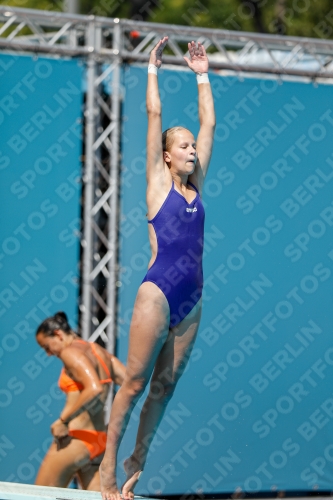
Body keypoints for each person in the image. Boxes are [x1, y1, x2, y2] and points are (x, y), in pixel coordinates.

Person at [100, 37, 215, 500]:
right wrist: (152, 69)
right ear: (168, 155)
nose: (192, 150)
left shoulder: (198, 187)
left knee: (164, 387)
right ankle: (107, 467)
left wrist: (201, 73)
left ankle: (136, 461)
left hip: (193, 298)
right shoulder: (156, 183)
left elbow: (209, 121)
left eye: (193, 146)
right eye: (184, 146)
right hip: (158, 291)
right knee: (134, 382)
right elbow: (153, 117)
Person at [35, 311, 126, 490]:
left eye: (46, 346)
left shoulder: (70, 352)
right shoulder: (99, 352)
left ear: (58, 335)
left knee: (37, 496)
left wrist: (63, 420)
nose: (48, 353)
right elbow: (131, 383)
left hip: (77, 439)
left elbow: (94, 389)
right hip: (99, 442)